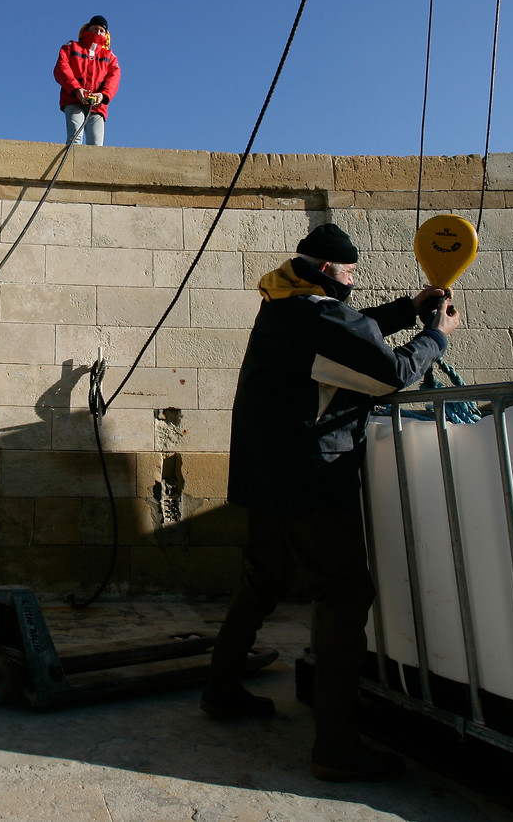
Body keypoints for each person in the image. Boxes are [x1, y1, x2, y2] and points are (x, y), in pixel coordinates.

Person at [201, 221, 461, 783]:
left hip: (265, 477)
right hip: (311, 479)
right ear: (326, 270)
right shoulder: (319, 315)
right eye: (348, 272)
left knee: (261, 580)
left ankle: (220, 689)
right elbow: (391, 373)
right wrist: (436, 336)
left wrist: (407, 309)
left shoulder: (283, 301)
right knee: (344, 595)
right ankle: (337, 747)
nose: (352, 281)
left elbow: (350, 329)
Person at [54, 15, 120, 145]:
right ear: (87, 29)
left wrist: (103, 95)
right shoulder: (71, 47)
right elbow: (62, 68)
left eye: (101, 30)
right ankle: (70, 159)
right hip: (73, 99)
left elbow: (114, 77)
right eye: (95, 29)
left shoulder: (110, 56)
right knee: (75, 138)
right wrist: (76, 89)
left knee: (96, 143)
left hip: (97, 105)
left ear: (106, 34)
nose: (98, 32)